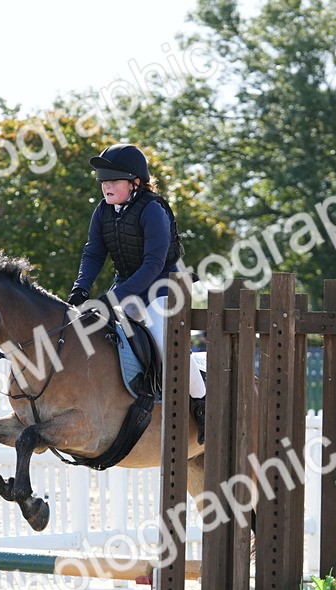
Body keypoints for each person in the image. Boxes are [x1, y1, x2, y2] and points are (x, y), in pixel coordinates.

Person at [67, 144, 208, 443]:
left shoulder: (152, 209)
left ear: (135, 183)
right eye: (103, 180)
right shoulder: (103, 211)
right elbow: (93, 254)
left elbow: (153, 263)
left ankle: (202, 402)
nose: (106, 185)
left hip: (163, 287)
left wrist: (115, 297)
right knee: (93, 330)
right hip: (129, 286)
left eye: (113, 180)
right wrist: (81, 288)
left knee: (163, 341)